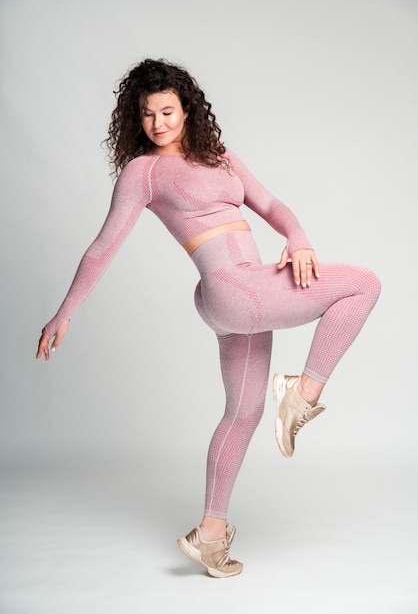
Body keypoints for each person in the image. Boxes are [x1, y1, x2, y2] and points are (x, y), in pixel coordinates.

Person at [36, 58, 381, 579]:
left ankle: (210, 535)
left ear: (188, 110)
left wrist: (299, 237)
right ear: (137, 119)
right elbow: (104, 246)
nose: (158, 124)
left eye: (168, 111)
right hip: (232, 288)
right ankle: (303, 395)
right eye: (148, 114)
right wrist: (64, 312)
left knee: (243, 413)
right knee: (364, 283)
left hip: (247, 286)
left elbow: (268, 202)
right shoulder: (144, 171)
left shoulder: (220, 156)